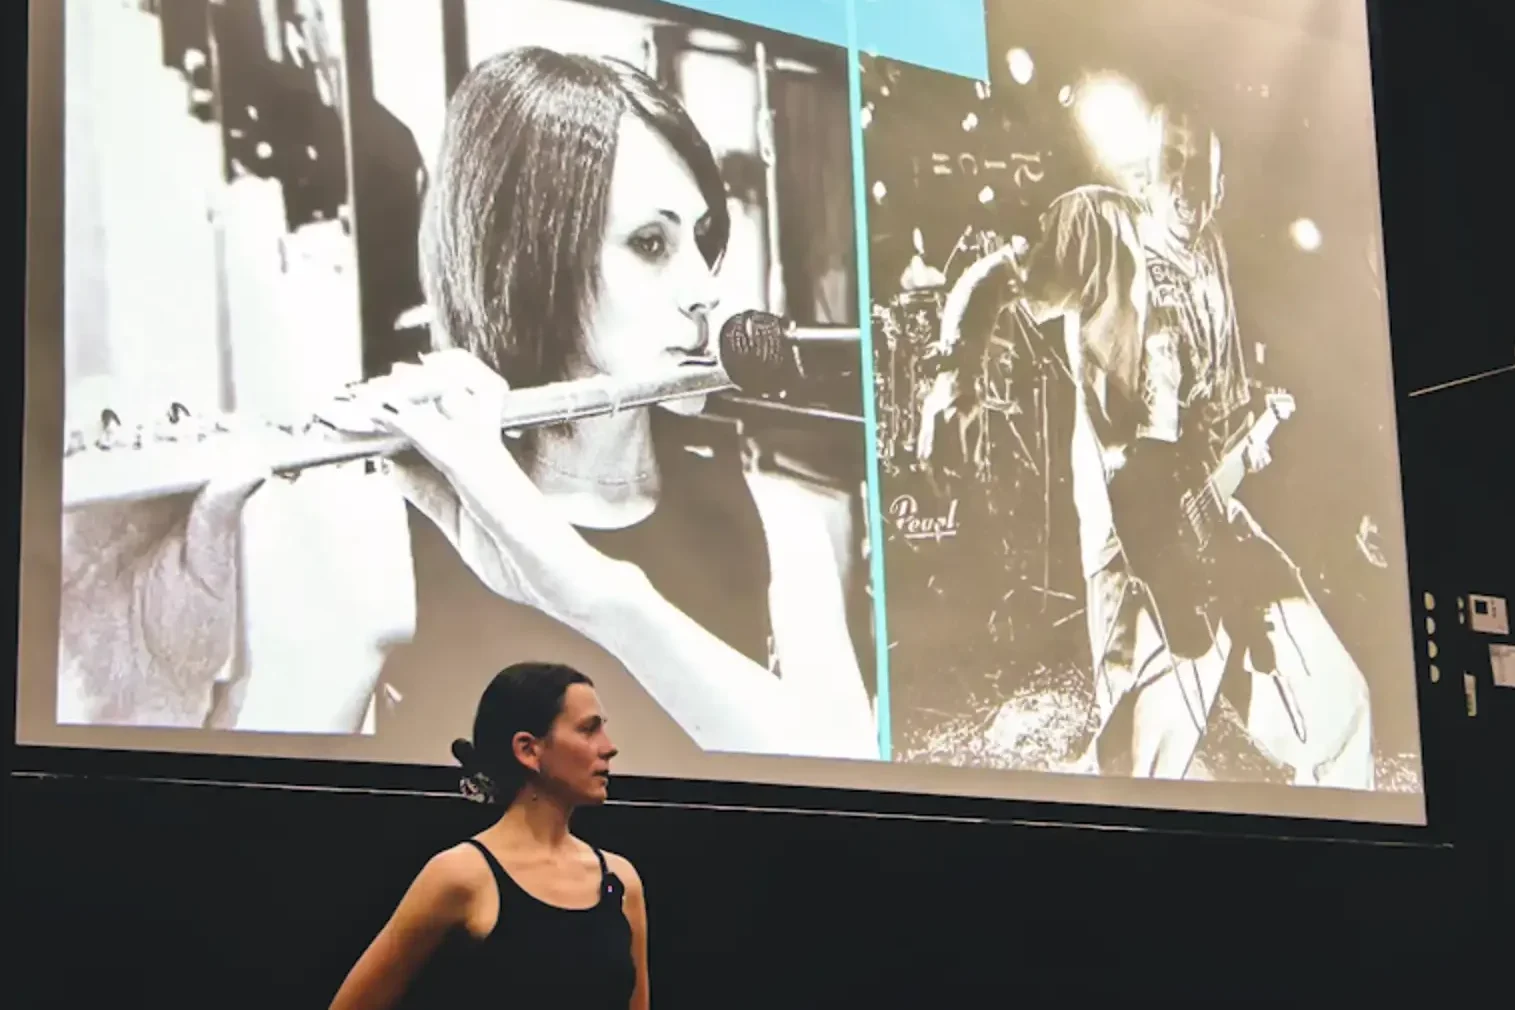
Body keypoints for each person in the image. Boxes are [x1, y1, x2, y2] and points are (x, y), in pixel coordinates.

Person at [56, 46, 877, 760]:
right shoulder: (369, 530)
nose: (704, 291)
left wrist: (595, 597)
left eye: (699, 237)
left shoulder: (781, 520)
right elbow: (264, 844)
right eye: (650, 243)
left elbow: (846, 775)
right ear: (534, 263)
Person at [921, 103, 1373, 786]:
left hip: (1206, 515)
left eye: (1199, 172)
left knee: (1340, 710)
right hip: (1131, 527)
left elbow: (1216, 394)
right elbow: (1000, 277)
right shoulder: (1099, 224)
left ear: (1220, 185)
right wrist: (951, 378)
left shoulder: (1211, 254)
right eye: (1170, 166)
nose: (1184, 187)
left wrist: (1245, 444)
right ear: (1144, 171)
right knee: (1139, 765)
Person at [329, 662, 646, 1009]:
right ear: (528, 749)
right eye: (589, 730)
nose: (609, 747)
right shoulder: (461, 875)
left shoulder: (619, 881)